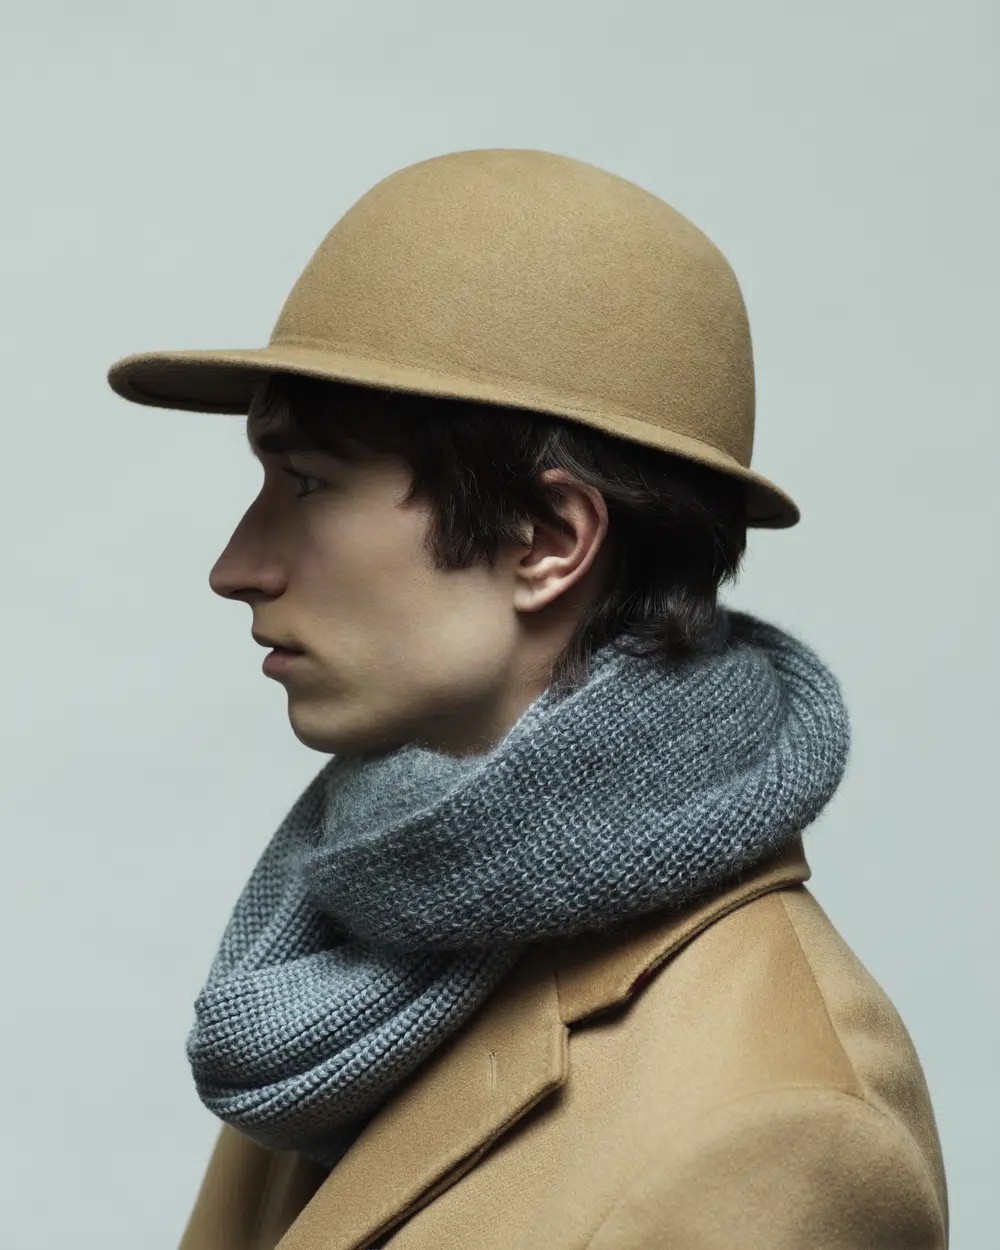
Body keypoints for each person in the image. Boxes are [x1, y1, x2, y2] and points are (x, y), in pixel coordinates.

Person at [106, 148, 948, 1249]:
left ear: (547, 540)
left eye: (308, 483)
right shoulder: (347, 972)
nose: (238, 565)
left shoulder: (780, 1133)